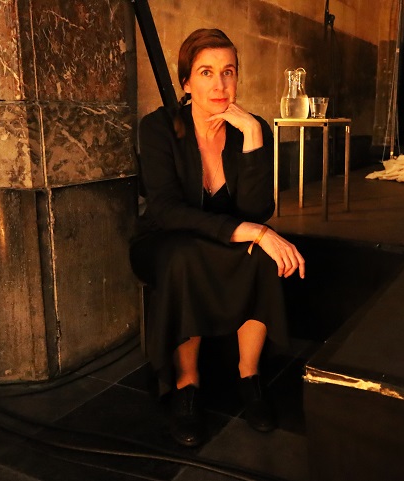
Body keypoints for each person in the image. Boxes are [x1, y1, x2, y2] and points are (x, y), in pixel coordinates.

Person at [130, 28, 305, 448]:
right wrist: (253, 232)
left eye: (228, 71)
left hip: (223, 237)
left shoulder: (249, 127)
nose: (220, 84)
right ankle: (187, 383)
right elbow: (167, 210)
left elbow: (256, 210)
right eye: (206, 72)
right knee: (185, 256)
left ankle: (249, 376)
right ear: (186, 82)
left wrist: (254, 138)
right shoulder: (159, 127)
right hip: (165, 240)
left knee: (261, 255)